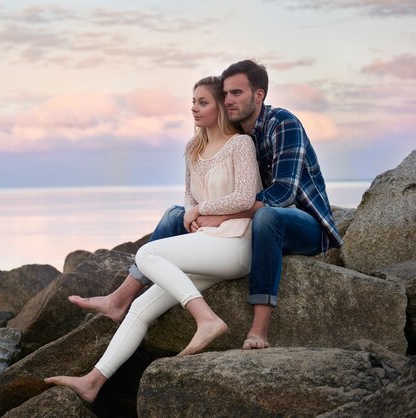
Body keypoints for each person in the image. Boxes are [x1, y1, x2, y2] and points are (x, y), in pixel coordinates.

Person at [71, 59, 343, 351]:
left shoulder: (283, 123)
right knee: (176, 214)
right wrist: (200, 214)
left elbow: (283, 193)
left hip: (305, 225)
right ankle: (121, 298)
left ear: (259, 95)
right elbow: (222, 191)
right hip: (255, 225)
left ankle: (259, 329)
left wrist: (217, 214)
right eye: (225, 94)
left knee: (268, 218)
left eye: (236, 93)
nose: (228, 101)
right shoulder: (237, 133)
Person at [45, 75, 261, 402]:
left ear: (220, 106)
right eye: (192, 102)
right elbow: (189, 198)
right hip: (206, 246)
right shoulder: (194, 149)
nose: (194, 108)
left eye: (202, 102)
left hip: (234, 247)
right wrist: (195, 213)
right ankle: (93, 381)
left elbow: (246, 198)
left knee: (147, 255)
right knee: (142, 307)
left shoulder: (241, 145)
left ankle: (206, 319)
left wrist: (203, 209)